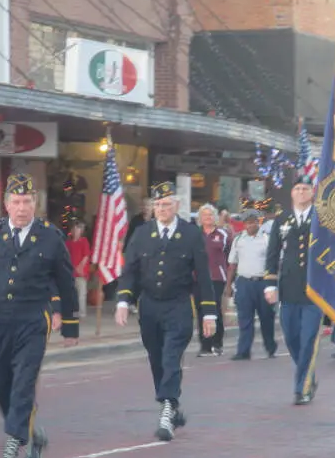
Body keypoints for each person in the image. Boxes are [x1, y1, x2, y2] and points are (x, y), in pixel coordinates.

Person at [0, 173, 79, 458]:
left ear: (35, 204)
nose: (22, 207)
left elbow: (66, 282)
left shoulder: (50, 236)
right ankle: (31, 430)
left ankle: (12, 448)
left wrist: (69, 325)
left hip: (32, 319)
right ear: (6, 204)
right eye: (16, 201)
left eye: (27, 201)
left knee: (24, 382)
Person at [115, 181, 217, 442]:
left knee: (172, 357)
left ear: (177, 206)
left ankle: (168, 407)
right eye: (158, 204)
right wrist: (123, 301)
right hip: (149, 306)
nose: (162, 209)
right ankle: (170, 405)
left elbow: (203, 276)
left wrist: (209, 313)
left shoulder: (191, 234)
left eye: (167, 204)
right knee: (157, 358)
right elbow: (131, 272)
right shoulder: (142, 233)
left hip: (178, 305)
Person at [264, 174, 323, 405]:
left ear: (312, 192)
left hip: (314, 288)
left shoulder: (322, 218)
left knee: (308, 338)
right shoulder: (282, 219)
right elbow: (272, 252)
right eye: (297, 188)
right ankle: (308, 375)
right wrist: (270, 283)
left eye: (305, 188)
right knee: (291, 337)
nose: (301, 192)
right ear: (292, 192)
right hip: (288, 287)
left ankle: (302, 388)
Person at [225, 209, 277, 360]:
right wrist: (228, 285)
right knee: (244, 318)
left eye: (252, 222)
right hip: (244, 283)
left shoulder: (267, 239)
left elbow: (274, 261)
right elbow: (232, 264)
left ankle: (270, 347)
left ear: (258, 222)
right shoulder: (238, 239)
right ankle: (243, 351)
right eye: (247, 223)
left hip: (263, 283)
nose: (250, 225)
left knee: (266, 317)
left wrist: (273, 283)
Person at [196, 203, 230, 357]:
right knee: (201, 311)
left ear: (215, 217)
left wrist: (230, 280)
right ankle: (204, 345)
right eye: (204, 215)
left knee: (214, 311)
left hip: (216, 278)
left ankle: (217, 344)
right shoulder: (195, 235)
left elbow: (230, 257)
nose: (207, 218)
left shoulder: (223, 234)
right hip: (197, 279)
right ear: (200, 218)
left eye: (210, 215)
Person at [66, 220, 91, 318]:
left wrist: (80, 267)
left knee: (81, 294)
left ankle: (82, 313)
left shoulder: (84, 241)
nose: (76, 231)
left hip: (81, 273)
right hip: (71, 273)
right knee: (71, 294)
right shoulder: (68, 243)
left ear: (81, 231)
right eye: (74, 229)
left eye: (78, 229)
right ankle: (71, 311)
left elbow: (86, 256)